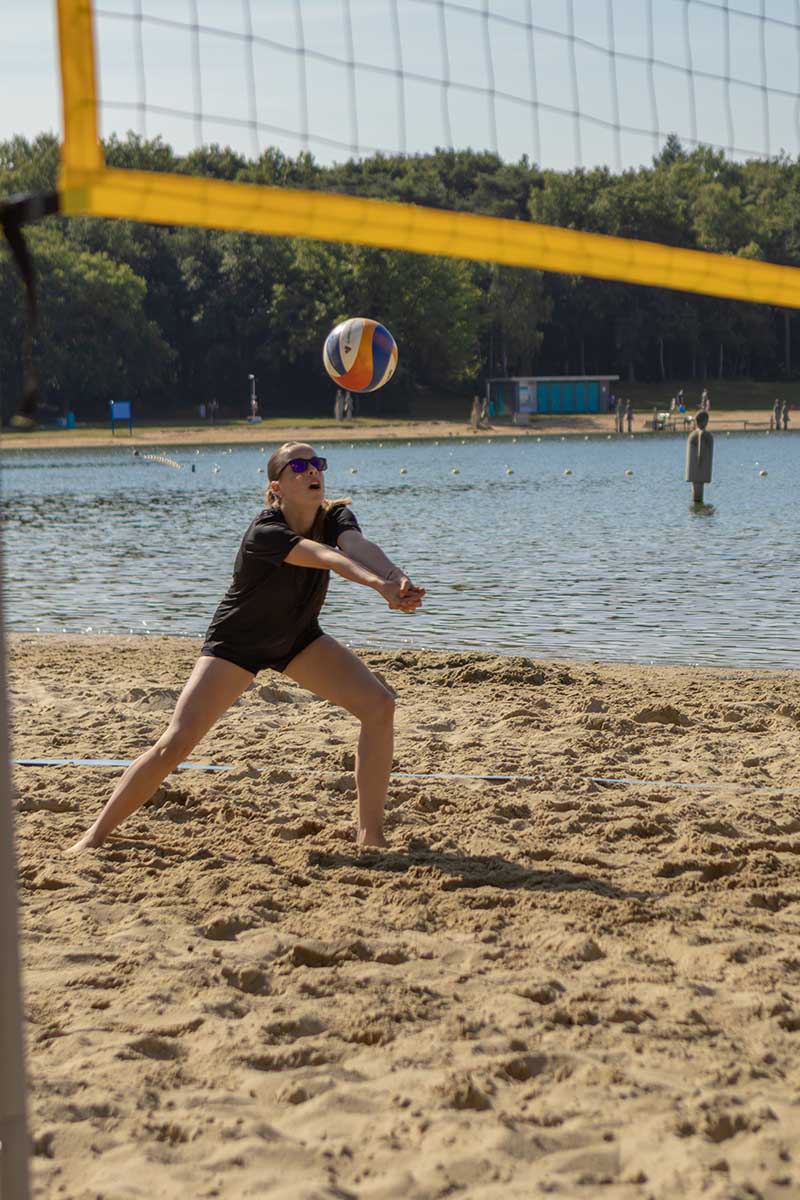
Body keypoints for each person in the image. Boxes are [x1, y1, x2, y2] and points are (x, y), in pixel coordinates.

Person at [67, 442, 425, 855]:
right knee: (176, 742)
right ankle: (94, 836)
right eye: (298, 466)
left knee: (379, 705)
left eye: (317, 463)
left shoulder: (333, 516)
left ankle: (370, 836)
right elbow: (328, 557)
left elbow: (356, 546)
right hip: (238, 643)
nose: (312, 471)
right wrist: (379, 586)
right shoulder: (265, 532)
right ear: (276, 487)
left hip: (297, 638)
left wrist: (396, 577)